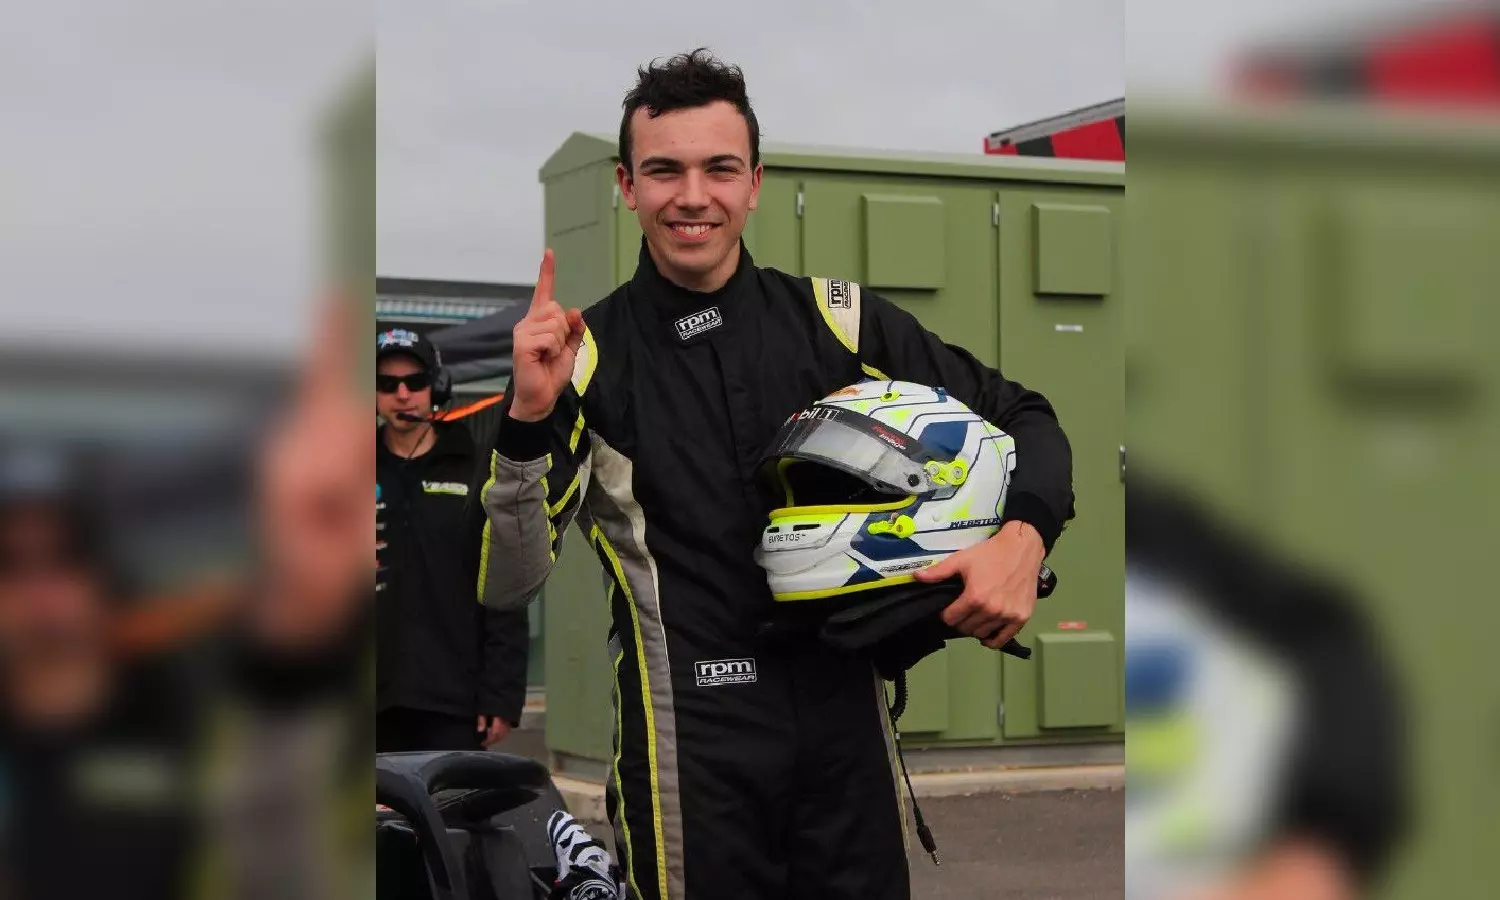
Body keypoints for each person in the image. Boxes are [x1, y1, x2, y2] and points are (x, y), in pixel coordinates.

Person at [481, 50, 1074, 900]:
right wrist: (526, 417)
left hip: (848, 739)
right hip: (690, 755)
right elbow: (509, 581)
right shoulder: (582, 358)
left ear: (755, 183)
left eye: (720, 169)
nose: (693, 196)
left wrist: (1023, 538)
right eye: (664, 171)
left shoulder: (839, 319)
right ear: (626, 186)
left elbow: (1027, 416)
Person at [375, 327, 530, 752]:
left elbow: (503, 580)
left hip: (453, 701)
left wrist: (501, 694)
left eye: (415, 382)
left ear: (436, 386)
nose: (402, 394)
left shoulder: (475, 468)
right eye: (387, 384)